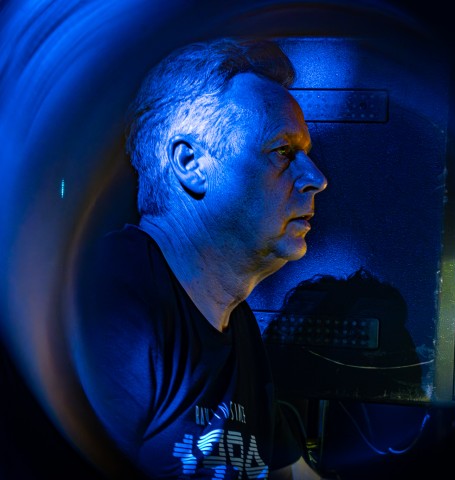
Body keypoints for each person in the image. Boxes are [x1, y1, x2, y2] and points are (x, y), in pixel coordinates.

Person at [74, 37, 328, 479]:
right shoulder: (112, 296)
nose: (316, 178)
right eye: (283, 152)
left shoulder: (236, 321)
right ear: (190, 163)